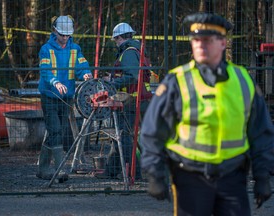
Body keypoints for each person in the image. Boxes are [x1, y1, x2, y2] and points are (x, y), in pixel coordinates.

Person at [140, 12, 274, 215]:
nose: (200, 45)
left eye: (208, 40)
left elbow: (260, 131)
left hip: (233, 177)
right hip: (189, 177)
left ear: (222, 43)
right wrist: (154, 173)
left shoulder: (243, 80)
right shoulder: (177, 81)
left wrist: (263, 176)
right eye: (196, 40)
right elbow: (153, 130)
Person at [37, 15, 93, 181]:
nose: (65, 38)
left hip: (66, 97)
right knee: (55, 130)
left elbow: (81, 66)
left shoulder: (75, 48)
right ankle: (59, 169)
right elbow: (45, 71)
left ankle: (42, 169)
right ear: (55, 31)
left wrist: (86, 74)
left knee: (55, 131)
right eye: (62, 35)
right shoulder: (46, 49)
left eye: (67, 35)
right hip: (49, 96)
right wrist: (55, 83)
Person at [96, 23, 152, 180]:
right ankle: (112, 170)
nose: (115, 43)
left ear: (120, 37)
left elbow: (132, 76)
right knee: (120, 135)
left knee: (124, 136)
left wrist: (112, 82)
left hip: (131, 100)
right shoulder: (138, 50)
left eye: (115, 40)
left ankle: (135, 172)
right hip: (139, 99)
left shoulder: (128, 53)